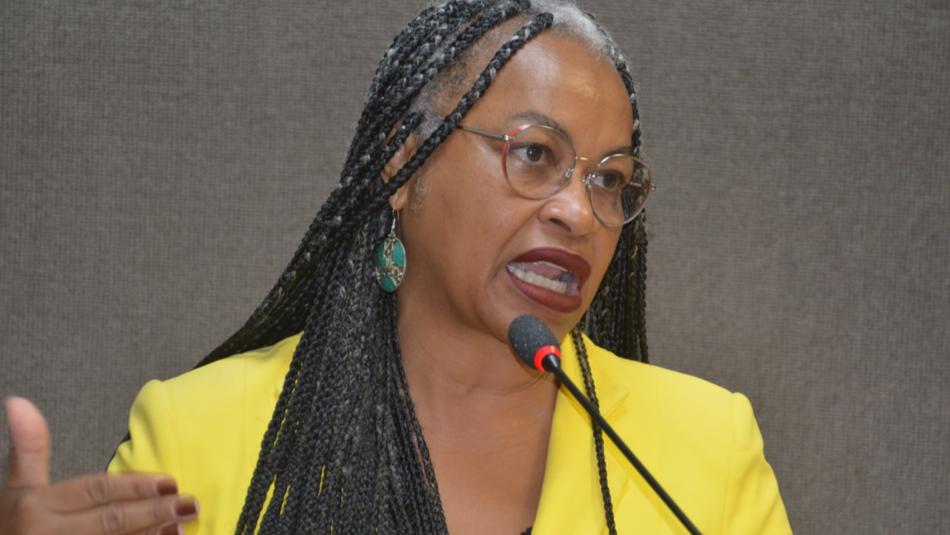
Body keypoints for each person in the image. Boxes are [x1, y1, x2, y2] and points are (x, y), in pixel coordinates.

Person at [1, 1, 792, 533]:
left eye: (610, 180)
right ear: (403, 164)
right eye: (534, 154)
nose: (579, 213)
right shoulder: (198, 435)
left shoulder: (705, 447)